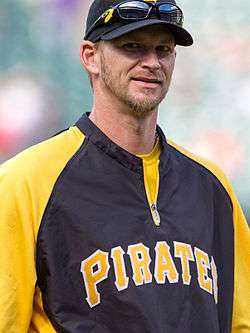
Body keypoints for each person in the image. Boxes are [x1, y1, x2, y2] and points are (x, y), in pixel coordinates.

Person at [0, 0, 249, 332]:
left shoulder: (211, 186)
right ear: (91, 56)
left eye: (164, 49)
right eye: (132, 46)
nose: (152, 62)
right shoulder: (25, 182)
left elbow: (239, 322)